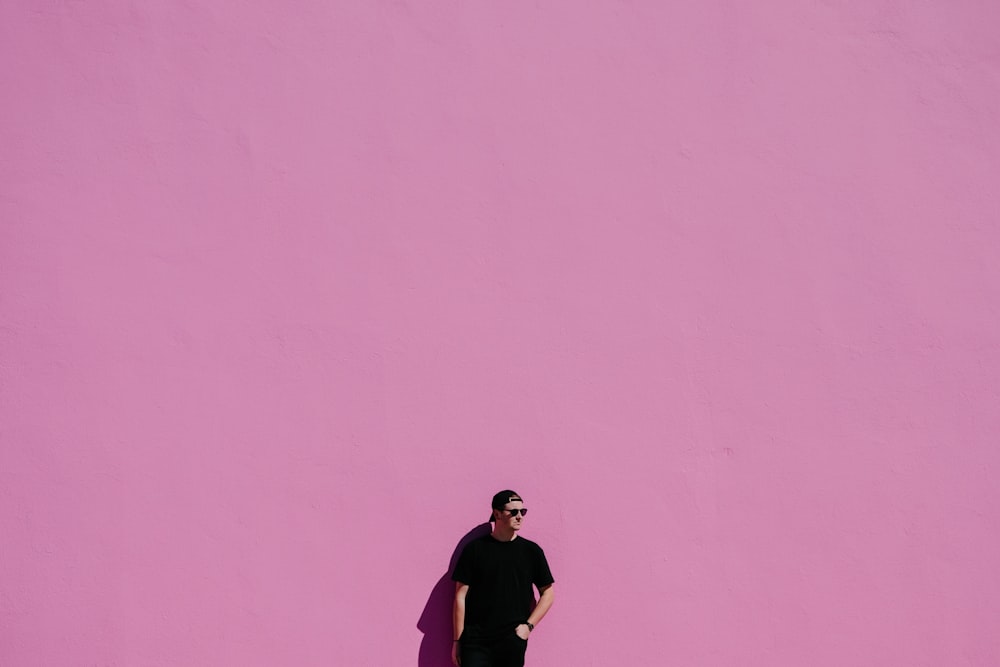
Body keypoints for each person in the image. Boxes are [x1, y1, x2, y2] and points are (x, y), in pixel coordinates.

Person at [451, 490, 555, 667]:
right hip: (476, 642)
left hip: (512, 641)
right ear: (497, 513)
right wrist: (457, 641)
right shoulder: (475, 550)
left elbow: (548, 593)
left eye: (523, 511)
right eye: (513, 512)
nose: (519, 516)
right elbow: (460, 597)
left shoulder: (531, 552)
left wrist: (528, 627)